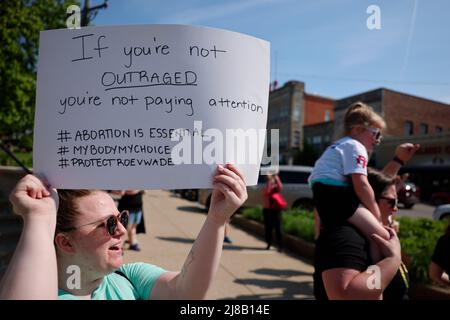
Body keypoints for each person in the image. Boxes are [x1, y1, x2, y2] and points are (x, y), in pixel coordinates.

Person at [0, 163, 247, 300]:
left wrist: (216, 219)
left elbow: (187, 292)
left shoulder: (130, 278)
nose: (120, 229)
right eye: (108, 223)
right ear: (65, 243)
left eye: (122, 218)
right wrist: (39, 217)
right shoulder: (42, 292)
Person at [313, 143, 420, 300]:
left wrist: (399, 160)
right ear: (368, 199)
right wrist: (392, 259)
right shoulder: (347, 237)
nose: (396, 209)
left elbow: (379, 184)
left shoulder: (371, 234)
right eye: (391, 202)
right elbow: (347, 295)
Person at [309, 101, 390, 262]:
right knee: (381, 235)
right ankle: (377, 275)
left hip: (322, 194)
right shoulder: (356, 147)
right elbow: (361, 184)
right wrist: (377, 214)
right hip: (336, 195)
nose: (377, 140)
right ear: (358, 129)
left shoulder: (338, 145)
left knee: (369, 233)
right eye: (376, 134)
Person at [262, 172, 283, 251]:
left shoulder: (276, 185)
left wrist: (276, 177)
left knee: (278, 228)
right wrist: (270, 181)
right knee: (268, 228)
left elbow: (280, 187)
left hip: (276, 209)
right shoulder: (266, 184)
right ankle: (269, 243)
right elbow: (267, 191)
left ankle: (280, 245)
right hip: (267, 209)